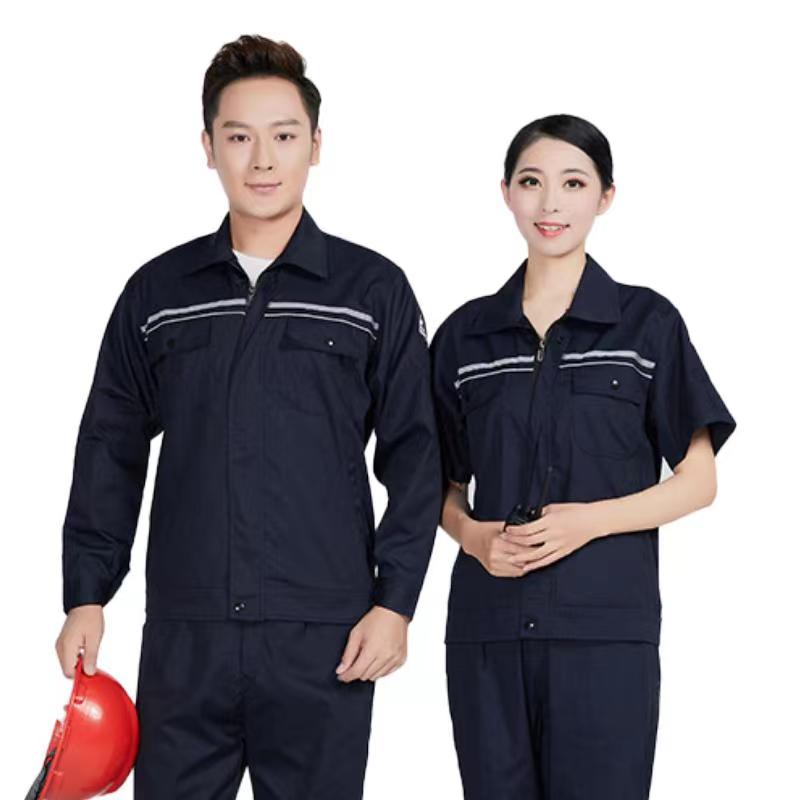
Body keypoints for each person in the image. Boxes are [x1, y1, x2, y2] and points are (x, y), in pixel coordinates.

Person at [54, 34, 441, 799]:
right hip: (187, 633)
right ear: (208, 147)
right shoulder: (159, 292)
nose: (262, 160)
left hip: (325, 636)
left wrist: (395, 602)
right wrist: (86, 593)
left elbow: (417, 454)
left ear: (316, 145)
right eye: (239, 138)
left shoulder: (372, 290)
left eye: (284, 137)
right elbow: (110, 445)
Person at [429, 113, 736, 799]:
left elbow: (699, 481)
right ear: (506, 192)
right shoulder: (465, 337)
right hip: (488, 631)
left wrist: (588, 522)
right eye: (531, 182)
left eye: (573, 183)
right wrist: (472, 535)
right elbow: (438, 486)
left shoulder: (646, 324)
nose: (550, 203)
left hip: (604, 633)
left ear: (605, 197)